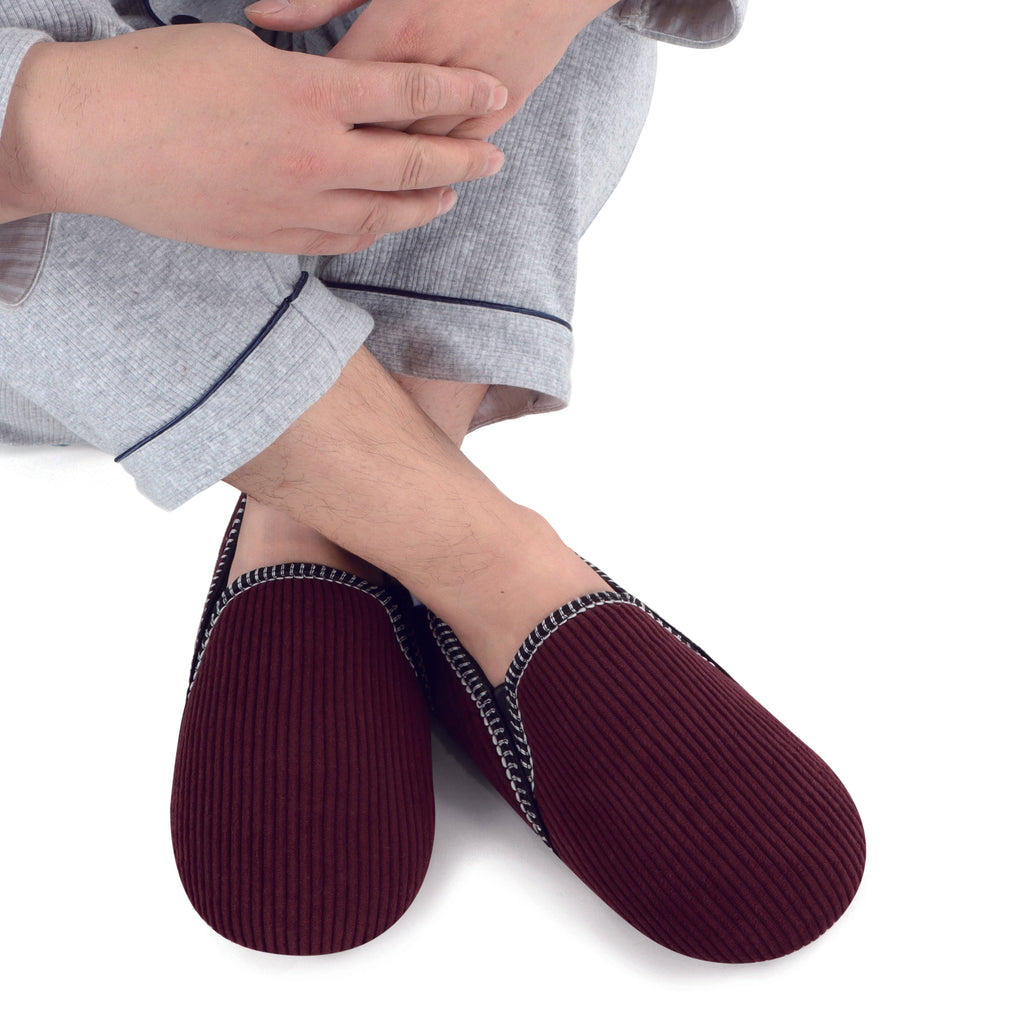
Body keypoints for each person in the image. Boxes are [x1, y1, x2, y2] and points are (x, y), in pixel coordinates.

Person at [0, 0, 866, 963]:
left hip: (348, 98)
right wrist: (56, 127)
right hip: (54, 249)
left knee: (568, 31)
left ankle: (320, 509)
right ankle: (477, 554)